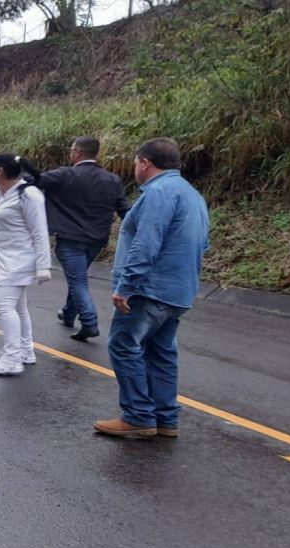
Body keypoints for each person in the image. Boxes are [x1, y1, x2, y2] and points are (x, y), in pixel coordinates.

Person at [94, 138, 209, 438]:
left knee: (124, 345)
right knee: (161, 352)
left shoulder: (158, 193)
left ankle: (138, 415)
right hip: (179, 290)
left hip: (150, 289)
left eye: (135, 163)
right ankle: (165, 418)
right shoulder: (192, 195)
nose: (135, 168)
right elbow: (202, 243)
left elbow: (146, 244)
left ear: (145, 162)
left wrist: (126, 286)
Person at [36, 136, 130, 341]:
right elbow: (125, 210)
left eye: (71, 150)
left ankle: (89, 322)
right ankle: (69, 313)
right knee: (77, 276)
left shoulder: (65, 174)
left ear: (78, 152)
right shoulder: (112, 179)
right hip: (96, 240)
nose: (70, 153)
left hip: (70, 239)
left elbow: (36, 180)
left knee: (77, 279)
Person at [0, 154, 52, 375]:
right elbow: (5, 223)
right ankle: (26, 351)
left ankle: (11, 359)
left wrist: (44, 265)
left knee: (2, 305)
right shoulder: (0, 192)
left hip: (21, 260)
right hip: (4, 257)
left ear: (0, 171)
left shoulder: (29, 194)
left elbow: (39, 232)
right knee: (18, 307)